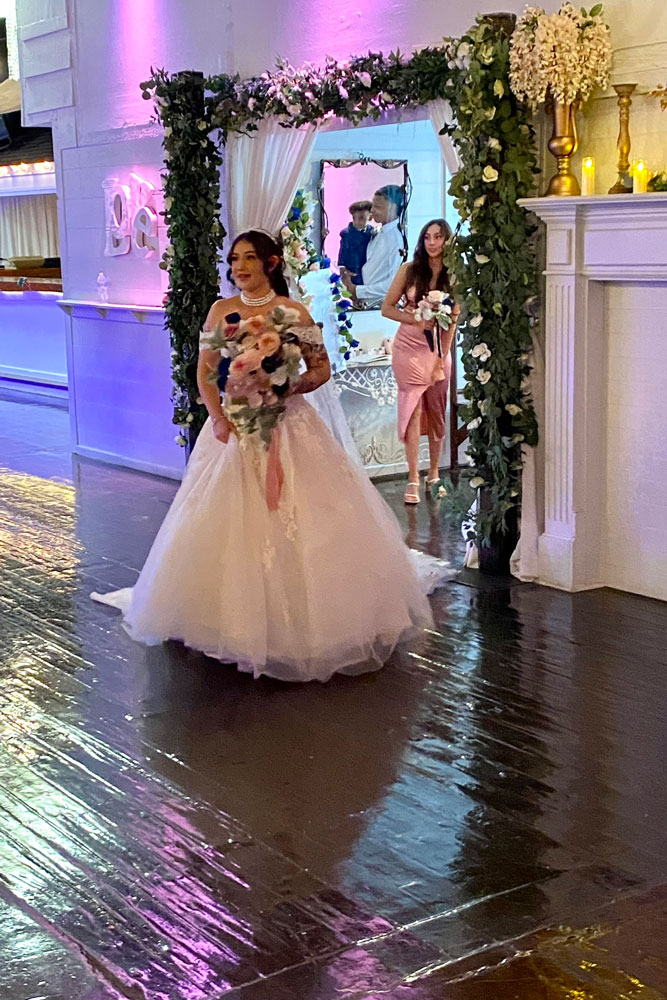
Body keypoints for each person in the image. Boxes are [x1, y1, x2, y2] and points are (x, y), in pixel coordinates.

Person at [92, 230, 451, 683]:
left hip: (289, 423)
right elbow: (204, 373)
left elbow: (320, 367)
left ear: (272, 263)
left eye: (248, 258)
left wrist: (289, 385)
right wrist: (219, 417)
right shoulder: (222, 312)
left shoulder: (291, 312)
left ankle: (310, 620)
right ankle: (224, 619)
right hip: (235, 428)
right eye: (234, 259)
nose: (239, 267)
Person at [382, 219, 460, 505]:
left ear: (447, 241)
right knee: (413, 409)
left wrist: (442, 358)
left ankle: (435, 472)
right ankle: (413, 476)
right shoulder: (409, 270)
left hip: (438, 349)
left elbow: (452, 322)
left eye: (438, 237)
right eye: (427, 237)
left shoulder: (455, 275)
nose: (432, 242)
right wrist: (416, 317)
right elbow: (386, 308)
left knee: (437, 411)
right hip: (407, 347)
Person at [341, 185, 405, 309]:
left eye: (378, 207)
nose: (373, 211)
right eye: (373, 206)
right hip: (365, 303)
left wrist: (357, 290)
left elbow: (393, 283)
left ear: (392, 208)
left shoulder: (396, 238)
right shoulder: (378, 231)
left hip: (380, 306)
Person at [337, 200, 373, 278]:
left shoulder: (372, 231)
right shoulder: (346, 234)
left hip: (368, 267)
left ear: (370, 217)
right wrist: (342, 268)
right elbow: (343, 252)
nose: (358, 221)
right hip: (353, 267)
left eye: (362, 218)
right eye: (355, 218)